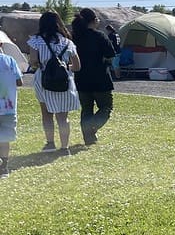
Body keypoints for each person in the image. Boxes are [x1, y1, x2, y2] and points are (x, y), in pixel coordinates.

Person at [28, 11, 81, 155]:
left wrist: (43, 64)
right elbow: (77, 66)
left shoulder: (36, 41)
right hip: (64, 81)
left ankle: (50, 143)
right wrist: (64, 67)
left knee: (46, 114)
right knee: (63, 116)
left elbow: (33, 62)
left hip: (44, 79)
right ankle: (65, 148)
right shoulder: (68, 42)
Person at [72, 9, 116, 145]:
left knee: (87, 109)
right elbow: (110, 54)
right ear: (93, 20)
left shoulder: (74, 37)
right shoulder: (100, 36)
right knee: (106, 107)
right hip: (100, 78)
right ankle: (92, 128)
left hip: (81, 78)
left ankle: (88, 137)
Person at [0, 44, 23, 177]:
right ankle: (4, 166)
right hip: (8, 106)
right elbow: (19, 82)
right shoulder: (9, 61)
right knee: (5, 137)